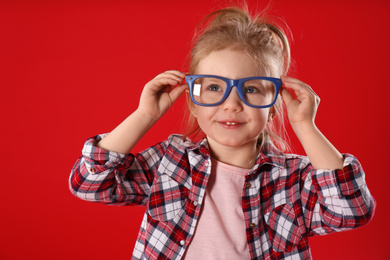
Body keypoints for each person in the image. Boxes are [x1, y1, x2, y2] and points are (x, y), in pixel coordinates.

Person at [69, 5, 376, 260]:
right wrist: (144, 116)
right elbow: (90, 184)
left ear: (273, 104)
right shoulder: (170, 162)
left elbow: (351, 211)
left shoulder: (293, 179)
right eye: (214, 87)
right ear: (193, 101)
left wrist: (305, 126)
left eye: (251, 89)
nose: (231, 104)